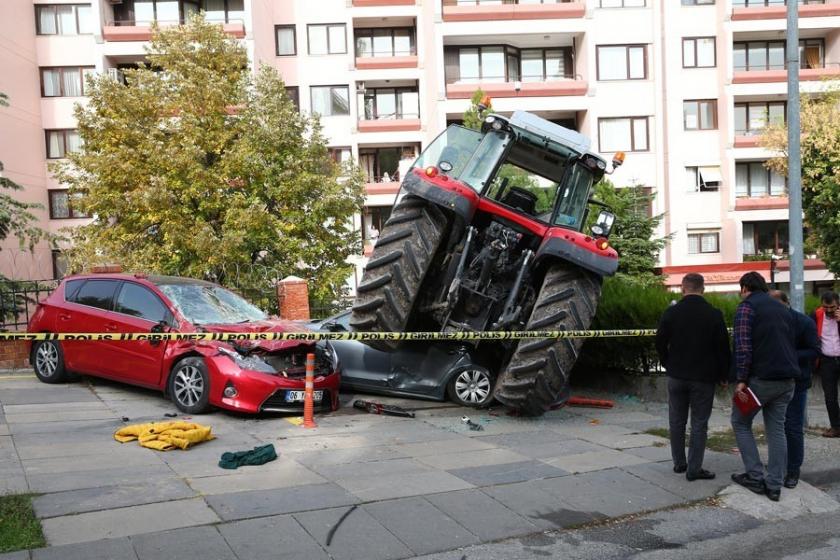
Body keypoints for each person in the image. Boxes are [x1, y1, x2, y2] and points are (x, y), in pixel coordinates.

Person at [731, 272, 800, 501]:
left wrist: (741, 379)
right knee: (776, 429)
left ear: (744, 288)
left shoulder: (747, 308)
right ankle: (774, 485)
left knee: (740, 422)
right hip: (788, 380)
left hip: (762, 379)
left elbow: (743, 346)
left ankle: (754, 476)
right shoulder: (782, 308)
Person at [656, 273, 730, 481]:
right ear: (703, 289)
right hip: (703, 378)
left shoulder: (671, 313)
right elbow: (723, 348)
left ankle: (679, 463)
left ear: (683, 288)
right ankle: (694, 469)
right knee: (699, 423)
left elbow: (660, 341)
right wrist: (724, 374)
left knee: (676, 421)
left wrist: (667, 363)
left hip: (677, 375)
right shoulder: (714, 314)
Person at [769, 290, 819, 489]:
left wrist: (788, 355)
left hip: (797, 382)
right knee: (776, 427)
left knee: (793, 427)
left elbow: (815, 349)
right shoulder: (770, 322)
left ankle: (793, 469)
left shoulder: (804, 322)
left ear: (786, 303)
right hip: (775, 381)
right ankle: (779, 464)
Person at [812, 291, 840, 438]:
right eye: (826, 307)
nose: (829, 310)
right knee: (830, 397)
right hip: (827, 361)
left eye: (832, 307)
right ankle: (836, 427)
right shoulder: (817, 314)